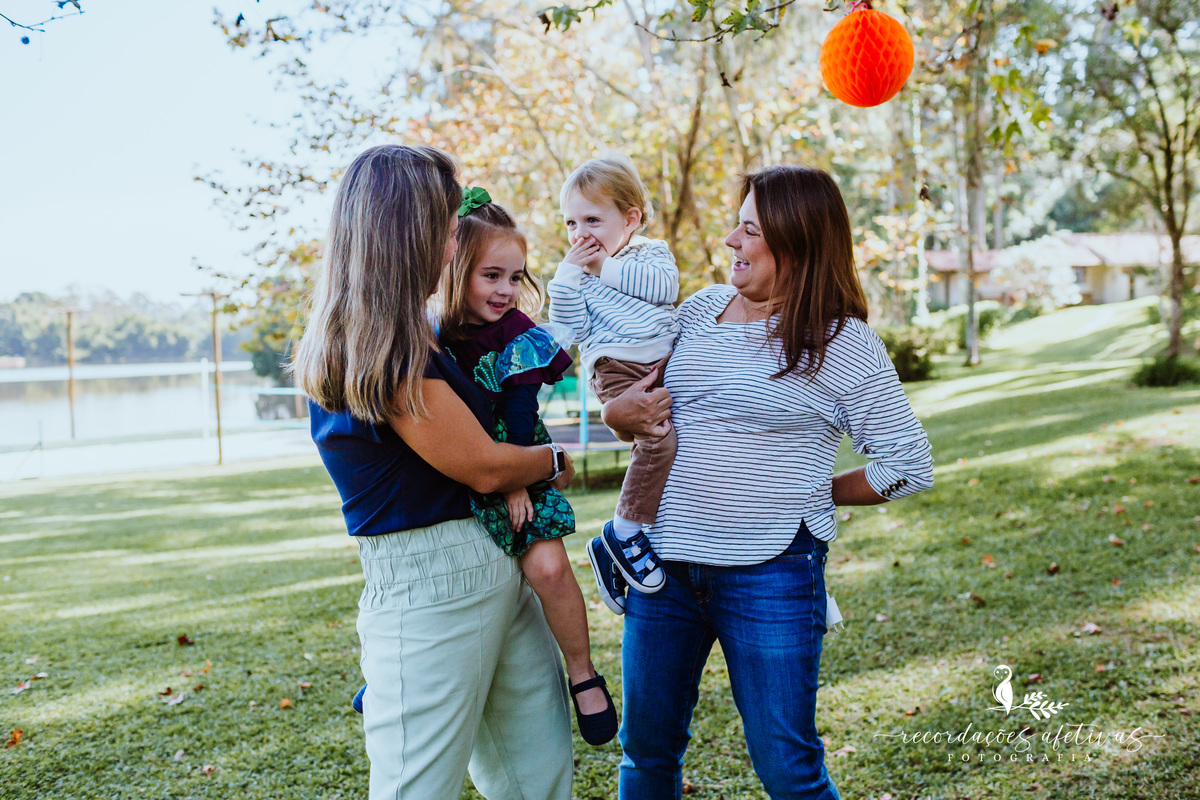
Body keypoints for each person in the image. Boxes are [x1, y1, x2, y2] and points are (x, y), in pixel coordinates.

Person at [592, 165, 935, 799]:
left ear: (797, 241)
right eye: (737, 225)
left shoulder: (844, 344)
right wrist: (617, 413)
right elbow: (634, 411)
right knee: (646, 754)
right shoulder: (695, 312)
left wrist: (810, 490)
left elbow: (906, 464)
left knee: (786, 765)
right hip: (660, 568)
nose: (730, 241)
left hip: (771, 570)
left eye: (748, 230)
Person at [293, 144, 575, 800]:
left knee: (538, 776)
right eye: (449, 231)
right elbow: (482, 466)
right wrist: (552, 461)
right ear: (410, 234)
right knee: (416, 787)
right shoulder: (375, 344)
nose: (454, 247)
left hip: (496, 567)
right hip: (430, 589)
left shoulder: (421, 333)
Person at [352, 187, 619, 745]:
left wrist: (519, 477)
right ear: (453, 272)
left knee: (546, 568)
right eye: (490, 276)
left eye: (515, 277)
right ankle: (391, 676)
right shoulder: (426, 333)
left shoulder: (516, 336)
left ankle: (582, 672)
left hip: (516, 449)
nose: (505, 290)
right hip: (469, 467)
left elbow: (521, 414)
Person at [546, 153, 679, 605]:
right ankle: (624, 530)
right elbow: (571, 330)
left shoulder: (652, 255)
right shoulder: (579, 275)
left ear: (630, 219)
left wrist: (604, 268)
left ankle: (621, 546)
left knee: (677, 440)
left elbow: (664, 291)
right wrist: (566, 279)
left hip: (662, 364)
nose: (580, 234)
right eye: (570, 223)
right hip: (617, 367)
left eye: (592, 219)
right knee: (659, 440)